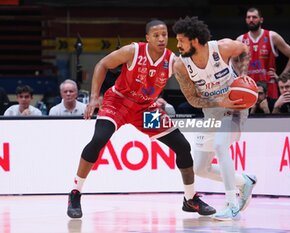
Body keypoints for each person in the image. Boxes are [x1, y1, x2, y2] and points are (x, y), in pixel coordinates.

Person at [66, 19, 216, 219]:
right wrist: (94, 98)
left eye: (164, 34)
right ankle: (75, 193)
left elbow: (192, 86)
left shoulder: (173, 61)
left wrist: (213, 98)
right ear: (147, 38)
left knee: (182, 146)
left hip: (145, 110)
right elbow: (102, 64)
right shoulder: (133, 51)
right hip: (118, 102)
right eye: (156, 35)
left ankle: (190, 199)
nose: (161, 38)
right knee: (99, 140)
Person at [172, 16, 257, 221]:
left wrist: (242, 75)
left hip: (235, 108)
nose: (178, 45)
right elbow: (193, 99)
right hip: (213, 111)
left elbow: (244, 48)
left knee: (220, 145)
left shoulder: (222, 48)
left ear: (194, 40)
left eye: (181, 40)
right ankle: (243, 181)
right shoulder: (180, 66)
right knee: (201, 168)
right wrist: (220, 102)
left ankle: (231, 203)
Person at [237, 7, 290, 99]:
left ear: (261, 20)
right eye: (248, 17)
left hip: (269, 87)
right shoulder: (240, 40)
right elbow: (232, 61)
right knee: (249, 113)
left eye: (254, 17)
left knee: (271, 112)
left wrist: (281, 78)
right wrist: (240, 74)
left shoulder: (271, 36)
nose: (251, 20)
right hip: (249, 87)